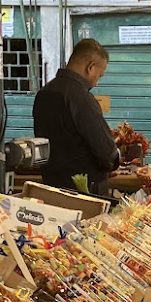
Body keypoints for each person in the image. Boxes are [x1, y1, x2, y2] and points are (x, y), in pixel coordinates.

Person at [33, 39, 118, 197]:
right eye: (99, 75)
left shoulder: (44, 94)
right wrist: (114, 160)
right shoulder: (82, 98)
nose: (97, 82)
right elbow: (106, 152)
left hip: (52, 189)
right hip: (84, 194)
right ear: (90, 67)